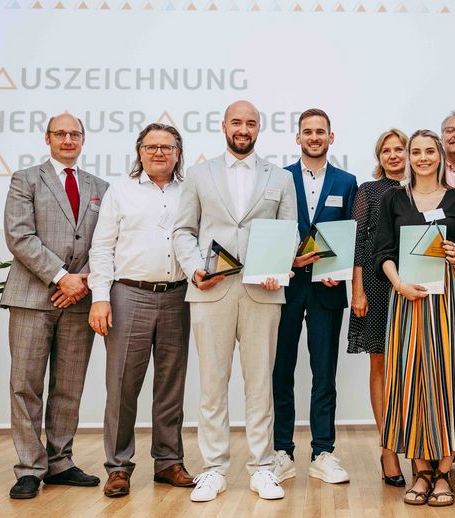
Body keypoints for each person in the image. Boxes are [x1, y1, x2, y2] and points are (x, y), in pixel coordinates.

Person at [172, 100, 298, 503]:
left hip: (264, 292)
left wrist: (279, 265)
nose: (244, 129)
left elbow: (290, 233)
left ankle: (262, 467)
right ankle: (213, 469)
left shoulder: (279, 177)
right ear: (224, 125)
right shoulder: (197, 174)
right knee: (212, 385)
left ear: (259, 128)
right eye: (237, 122)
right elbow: (182, 232)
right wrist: (194, 270)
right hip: (211, 293)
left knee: (261, 384)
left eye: (251, 123)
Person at [1, 113, 109, 499]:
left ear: (84, 139)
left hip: (80, 300)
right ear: (47, 138)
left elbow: (108, 242)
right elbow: (20, 236)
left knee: (69, 386)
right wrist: (61, 276)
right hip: (33, 297)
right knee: (25, 384)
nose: (68, 139)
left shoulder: (101, 187)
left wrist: (82, 281)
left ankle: (60, 462)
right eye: (60, 133)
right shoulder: (25, 179)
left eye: (74, 133)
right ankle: (30, 467)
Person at [375, 129, 455, 507]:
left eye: (429, 151)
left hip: (448, 299)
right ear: (408, 156)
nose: (422, 158)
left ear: (440, 155)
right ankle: (420, 469)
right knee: (410, 380)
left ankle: (443, 471)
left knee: (448, 377)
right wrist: (399, 284)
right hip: (405, 297)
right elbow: (383, 252)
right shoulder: (393, 199)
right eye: (415, 152)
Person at [87, 123, 195, 497]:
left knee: (171, 385)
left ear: (178, 153)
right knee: (121, 386)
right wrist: (100, 296)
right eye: (151, 147)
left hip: (178, 296)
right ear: (140, 151)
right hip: (128, 295)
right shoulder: (120, 191)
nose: (159, 153)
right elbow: (101, 248)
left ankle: (168, 462)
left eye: (167, 147)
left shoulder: (190, 191)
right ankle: (118, 467)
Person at [271, 109, 357, 484]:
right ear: (298, 137)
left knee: (325, 373)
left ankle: (323, 451)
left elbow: (352, 233)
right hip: (287, 287)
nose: (314, 137)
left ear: (331, 137)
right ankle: (281, 451)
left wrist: (337, 274)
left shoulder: (347, 181)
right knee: (281, 370)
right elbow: (272, 231)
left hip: (327, 289)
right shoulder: (279, 178)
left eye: (320, 131)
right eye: (308, 131)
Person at [346, 128, 409, 487]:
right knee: (381, 362)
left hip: (414, 283)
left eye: (399, 149)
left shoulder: (423, 190)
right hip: (374, 283)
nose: (394, 155)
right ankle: (387, 448)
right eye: (387, 150)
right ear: (379, 156)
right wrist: (357, 289)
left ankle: (419, 444)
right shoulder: (369, 191)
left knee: (417, 363)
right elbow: (357, 241)